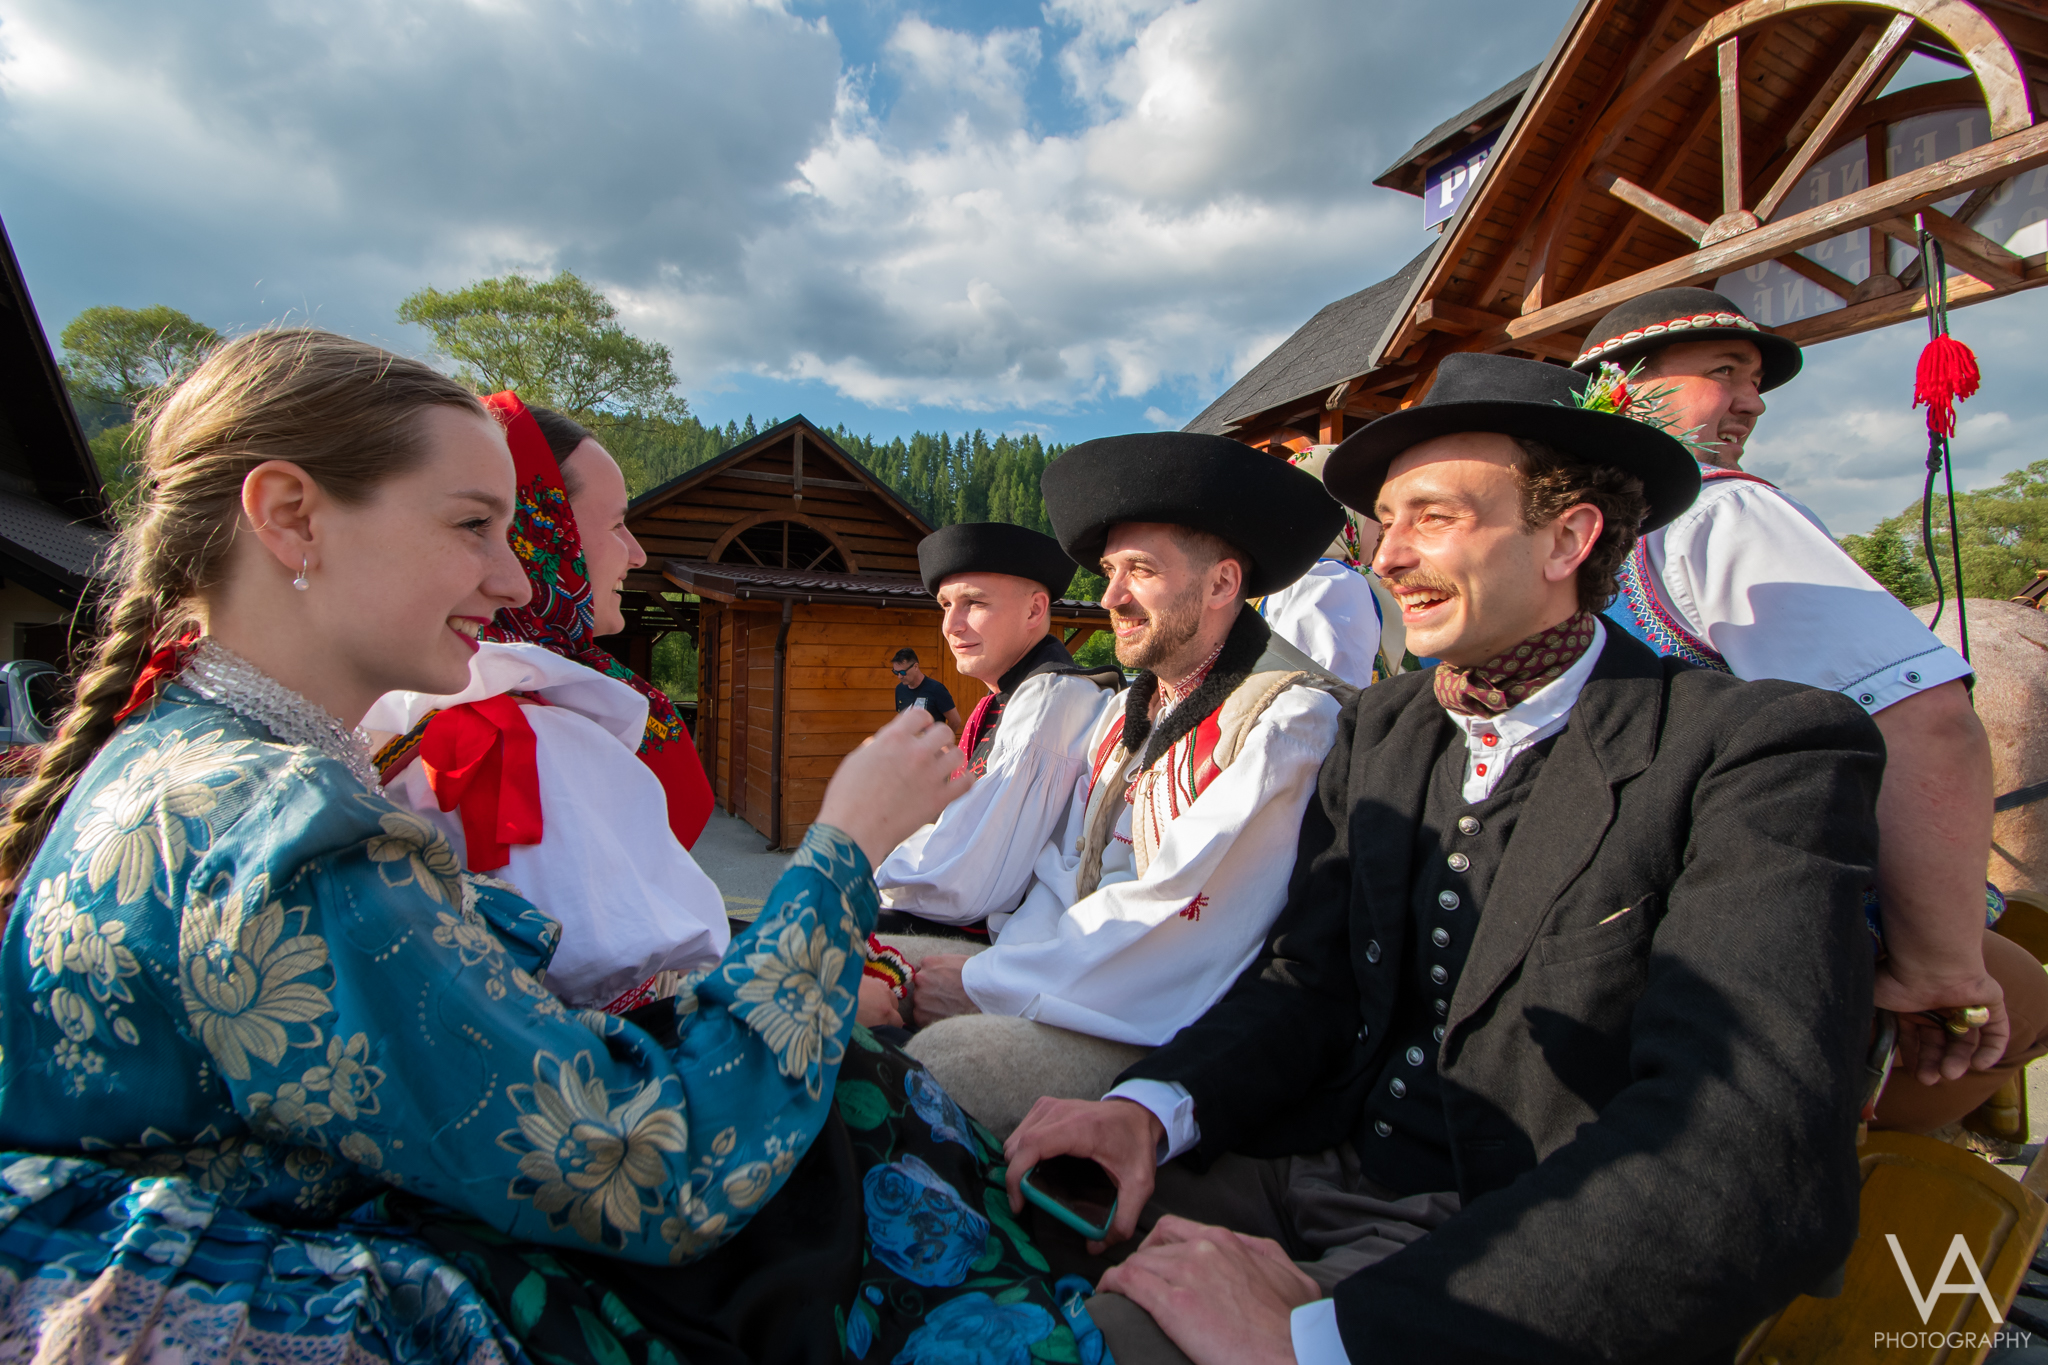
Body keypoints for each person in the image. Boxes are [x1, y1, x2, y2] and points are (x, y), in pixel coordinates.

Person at [0, 330, 1109, 1365]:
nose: (517, 579)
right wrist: (843, 848)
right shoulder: (284, 829)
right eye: (470, 526)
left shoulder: (186, 759)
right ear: (292, 517)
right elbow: (654, 1168)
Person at [1005, 352, 1883, 1364]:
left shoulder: (1755, 750)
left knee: (1117, 1341)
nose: (1385, 558)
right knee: (1007, 1205)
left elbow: (1743, 1144)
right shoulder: (1384, 728)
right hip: (1307, 1160)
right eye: (1385, 522)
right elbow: (1309, 982)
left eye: (1432, 518)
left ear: (1568, 538)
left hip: (1511, 1240)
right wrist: (1150, 1111)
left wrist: (1319, 1342)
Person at [1573, 285, 2048, 1131]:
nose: (1751, 402)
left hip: (1596, 919)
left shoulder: (1554, 535)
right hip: (1742, 933)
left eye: (1753, 381)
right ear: (1627, 387)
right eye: (1724, 373)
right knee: (2023, 997)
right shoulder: (1722, 510)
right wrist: (1939, 964)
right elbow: (1926, 721)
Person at [905, 434, 1351, 1135]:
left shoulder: (1284, 721)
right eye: (1111, 570)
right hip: (1061, 973)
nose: (1111, 595)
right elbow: (1062, 876)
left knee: (944, 1064)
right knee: (854, 966)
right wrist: (996, 970)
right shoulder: (1123, 715)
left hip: (1162, 1021)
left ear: (1222, 584)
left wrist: (983, 985)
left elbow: (1179, 923)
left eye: (1140, 569)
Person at [874, 522, 1121, 942]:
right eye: (945, 605)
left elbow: (963, 883)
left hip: (1007, 942)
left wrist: (860, 847)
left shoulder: (1047, 703)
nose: (951, 625)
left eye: (973, 602)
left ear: (1034, 610)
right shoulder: (1008, 699)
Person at [1251, 445, 1388, 688]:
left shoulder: (1275, 579)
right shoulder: (1328, 583)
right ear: (1341, 511)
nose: (1381, 524)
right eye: (1370, 507)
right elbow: (1331, 698)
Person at [892, 647, 962, 731]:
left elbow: (955, 721)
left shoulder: (936, 689)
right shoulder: (900, 689)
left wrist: (943, 738)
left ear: (915, 666)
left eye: (903, 672)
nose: (899, 676)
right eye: (896, 672)